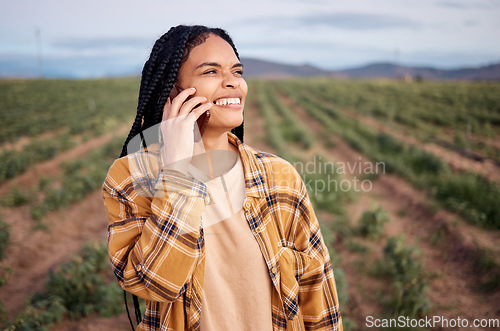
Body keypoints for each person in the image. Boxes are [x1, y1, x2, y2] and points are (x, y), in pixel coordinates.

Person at [102, 24, 343, 330]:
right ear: (172, 90)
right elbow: (155, 283)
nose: (233, 84)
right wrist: (178, 172)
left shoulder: (280, 176)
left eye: (237, 71)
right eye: (211, 72)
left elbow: (316, 288)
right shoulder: (131, 176)